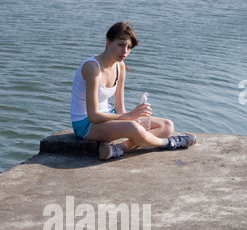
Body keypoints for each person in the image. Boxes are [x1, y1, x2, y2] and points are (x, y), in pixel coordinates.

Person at [70, 22, 196, 160]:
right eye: (120, 45)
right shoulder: (92, 68)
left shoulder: (120, 66)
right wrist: (130, 117)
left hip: (108, 116)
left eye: (129, 47)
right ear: (108, 41)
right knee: (134, 128)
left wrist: (134, 117)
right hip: (86, 124)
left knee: (166, 126)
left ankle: (118, 149)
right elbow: (93, 116)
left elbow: (119, 107)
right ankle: (170, 143)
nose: (125, 51)